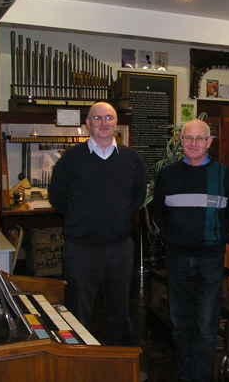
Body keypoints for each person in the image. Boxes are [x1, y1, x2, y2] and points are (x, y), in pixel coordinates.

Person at [49, 102, 147, 346]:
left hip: (119, 249)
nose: (104, 123)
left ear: (116, 123)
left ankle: (120, 362)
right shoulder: (71, 159)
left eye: (109, 118)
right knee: (77, 316)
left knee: (120, 315)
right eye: (97, 118)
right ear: (87, 124)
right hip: (81, 250)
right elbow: (57, 196)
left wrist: (117, 215)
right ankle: (79, 362)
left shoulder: (131, 159)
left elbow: (138, 195)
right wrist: (81, 216)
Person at [153, 119, 229, 382]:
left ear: (209, 142)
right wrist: (175, 239)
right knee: (180, 323)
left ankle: (202, 377)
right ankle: (186, 375)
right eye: (188, 138)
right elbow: (158, 214)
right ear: (180, 141)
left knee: (205, 325)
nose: (193, 143)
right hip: (177, 259)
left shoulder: (225, 176)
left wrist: (213, 240)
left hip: (210, 260)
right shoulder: (167, 176)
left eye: (199, 138)